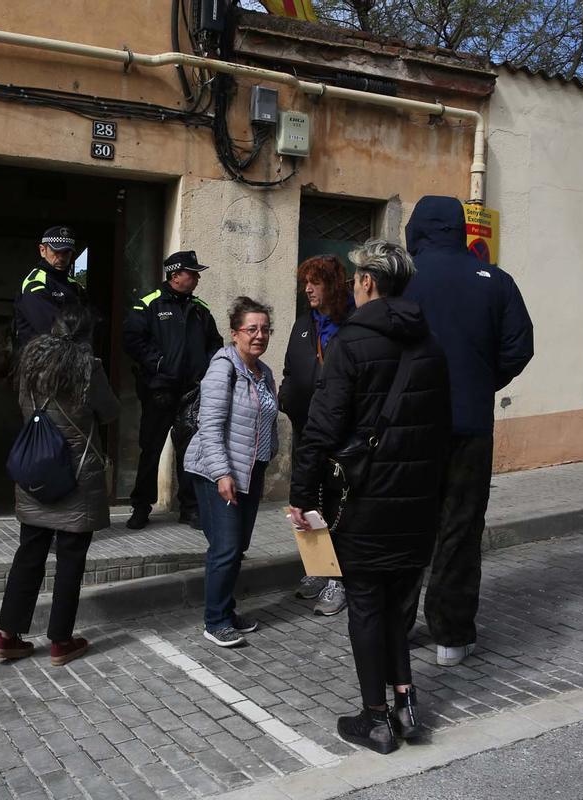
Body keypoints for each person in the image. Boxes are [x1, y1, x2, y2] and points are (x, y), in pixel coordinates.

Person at [289, 240, 451, 754]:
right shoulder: (431, 345)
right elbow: (440, 430)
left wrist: (302, 493)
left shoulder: (351, 343)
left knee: (365, 605)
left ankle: (375, 718)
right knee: (399, 604)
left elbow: (321, 426)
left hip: (363, 500)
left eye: (359, 278)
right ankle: (405, 704)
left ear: (367, 283)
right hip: (417, 501)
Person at [402, 196, 534, 667]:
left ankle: (395, 628)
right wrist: (481, 380)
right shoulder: (496, 281)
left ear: (417, 229)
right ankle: (451, 637)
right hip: (470, 426)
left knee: (405, 527)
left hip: (411, 427)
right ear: (461, 229)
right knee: (459, 528)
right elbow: (520, 347)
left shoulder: (402, 280)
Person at [0, 307, 120, 667]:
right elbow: (109, 411)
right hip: (76, 476)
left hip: (37, 469)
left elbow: (22, 406)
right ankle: (61, 642)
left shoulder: (30, 364)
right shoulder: (87, 368)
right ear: (87, 335)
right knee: (70, 560)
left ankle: (7, 635)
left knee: (29, 555)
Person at [184, 297, 278, 648]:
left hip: (251, 469)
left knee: (237, 547)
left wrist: (268, 458)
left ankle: (226, 608)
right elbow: (209, 425)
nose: (259, 336)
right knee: (224, 547)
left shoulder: (263, 372)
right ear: (235, 333)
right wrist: (223, 473)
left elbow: (265, 421)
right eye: (251, 329)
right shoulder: (223, 366)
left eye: (265, 329)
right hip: (216, 470)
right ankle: (215, 620)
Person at [122, 250, 223, 530]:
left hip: (192, 393)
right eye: (193, 273)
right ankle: (141, 506)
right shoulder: (149, 304)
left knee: (190, 453)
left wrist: (208, 372)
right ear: (175, 274)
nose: (198, 278)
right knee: (151, 450)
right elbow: (132, 339)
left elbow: (215, 344)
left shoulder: (201, 308)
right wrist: (159, 364)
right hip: (159, 391)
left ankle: (189, 508)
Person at [280, 255, 354, 616]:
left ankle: (338, 580)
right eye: (305, 281)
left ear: (334, 286)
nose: (308, 289)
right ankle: (318, 568)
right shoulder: (303, 324)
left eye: (316, 282)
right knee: (308, 499)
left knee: (337, 505)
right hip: (305, 429)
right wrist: (286, 394)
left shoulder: (352, 326)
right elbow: (291, 369)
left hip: (341, 434)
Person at [13, 225, 90, 352]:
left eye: (66, 252)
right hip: (39, 362)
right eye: (56, 251)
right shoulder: (35, 283)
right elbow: (52, 329)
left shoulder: (75, 287)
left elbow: (87, 325)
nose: (61, 257)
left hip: (71, 358)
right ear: (43, 250)